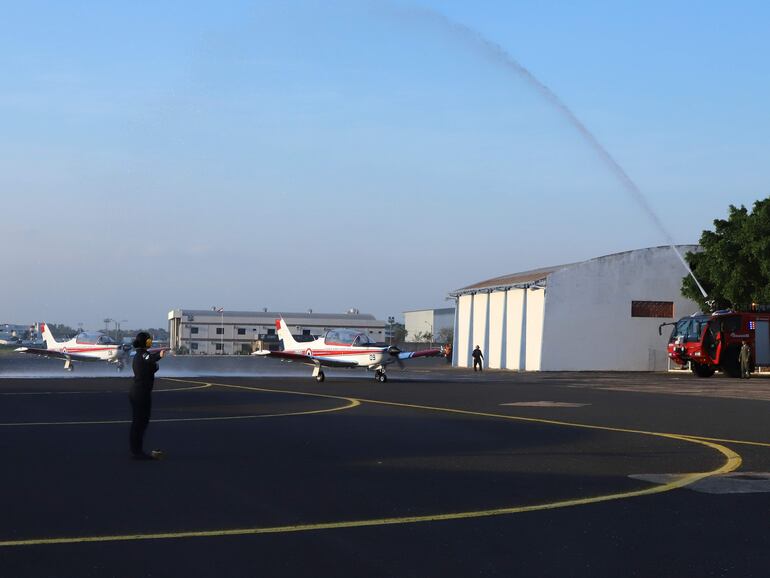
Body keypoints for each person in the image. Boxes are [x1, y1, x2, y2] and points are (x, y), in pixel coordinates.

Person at [129, 331, 166, 460]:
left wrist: (155, 365)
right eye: (149, 340)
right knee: (140, 423)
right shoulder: (143, 354)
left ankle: (136, 450)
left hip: (139, 392)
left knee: (140, 422)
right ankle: (136, 451)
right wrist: (159, 355)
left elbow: (150, 367)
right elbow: (150, 359)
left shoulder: (139, 355)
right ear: (146, 342)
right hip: (141, 393)